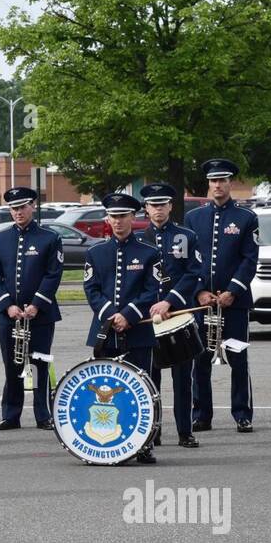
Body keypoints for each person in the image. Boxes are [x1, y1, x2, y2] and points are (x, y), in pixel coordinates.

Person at [82, 192, 162, 463]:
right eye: (113, 217)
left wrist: (128, 315)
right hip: (105, 331)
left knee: (142, 388)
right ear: (108, 218)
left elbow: (152, 290)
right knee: (105, 388)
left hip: (138, 329)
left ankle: (144, 443)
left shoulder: (149, 253)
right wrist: (111, 315)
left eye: (123, 216)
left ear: (133, 217)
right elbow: (91, 289)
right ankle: (107, 442)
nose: (118, 222)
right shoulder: (95, 253)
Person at [185, 158, 259, 433]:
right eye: (214, 181)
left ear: (230, 183)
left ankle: (242, 413)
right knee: (200, 359)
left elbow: (250, 259)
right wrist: (199, 291)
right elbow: (189, 262)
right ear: (209, 184)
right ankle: (201, 414)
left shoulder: (246, 218)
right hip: (201, 303)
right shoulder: (193, 218)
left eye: (223, 180)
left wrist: (233, 291)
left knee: (238, 359)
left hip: (235, 303)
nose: (218, 185)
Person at [0, 186, 62, 431]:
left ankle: (43, 414)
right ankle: (11, 414)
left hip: (40, 315)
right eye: (13, 208)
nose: (18, 212)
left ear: (32, 206)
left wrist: (37, 304)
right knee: (12, 364)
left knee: (40, 364)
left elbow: (53, 275)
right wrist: (7, 305)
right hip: (9, 315)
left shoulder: (49, 238)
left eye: (22, 207)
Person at [138, 182, 204, 449]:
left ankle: (185, 431)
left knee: (182, 377)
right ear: (146, 208)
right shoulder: (139, 239)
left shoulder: (186, 236)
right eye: (153, 205)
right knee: (150, 378)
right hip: (148, 318)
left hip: (178, 313)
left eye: (162, 204)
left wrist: (169, 301)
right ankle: (154, 431)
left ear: (170, 206)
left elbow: (194, 272)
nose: (158, 210)